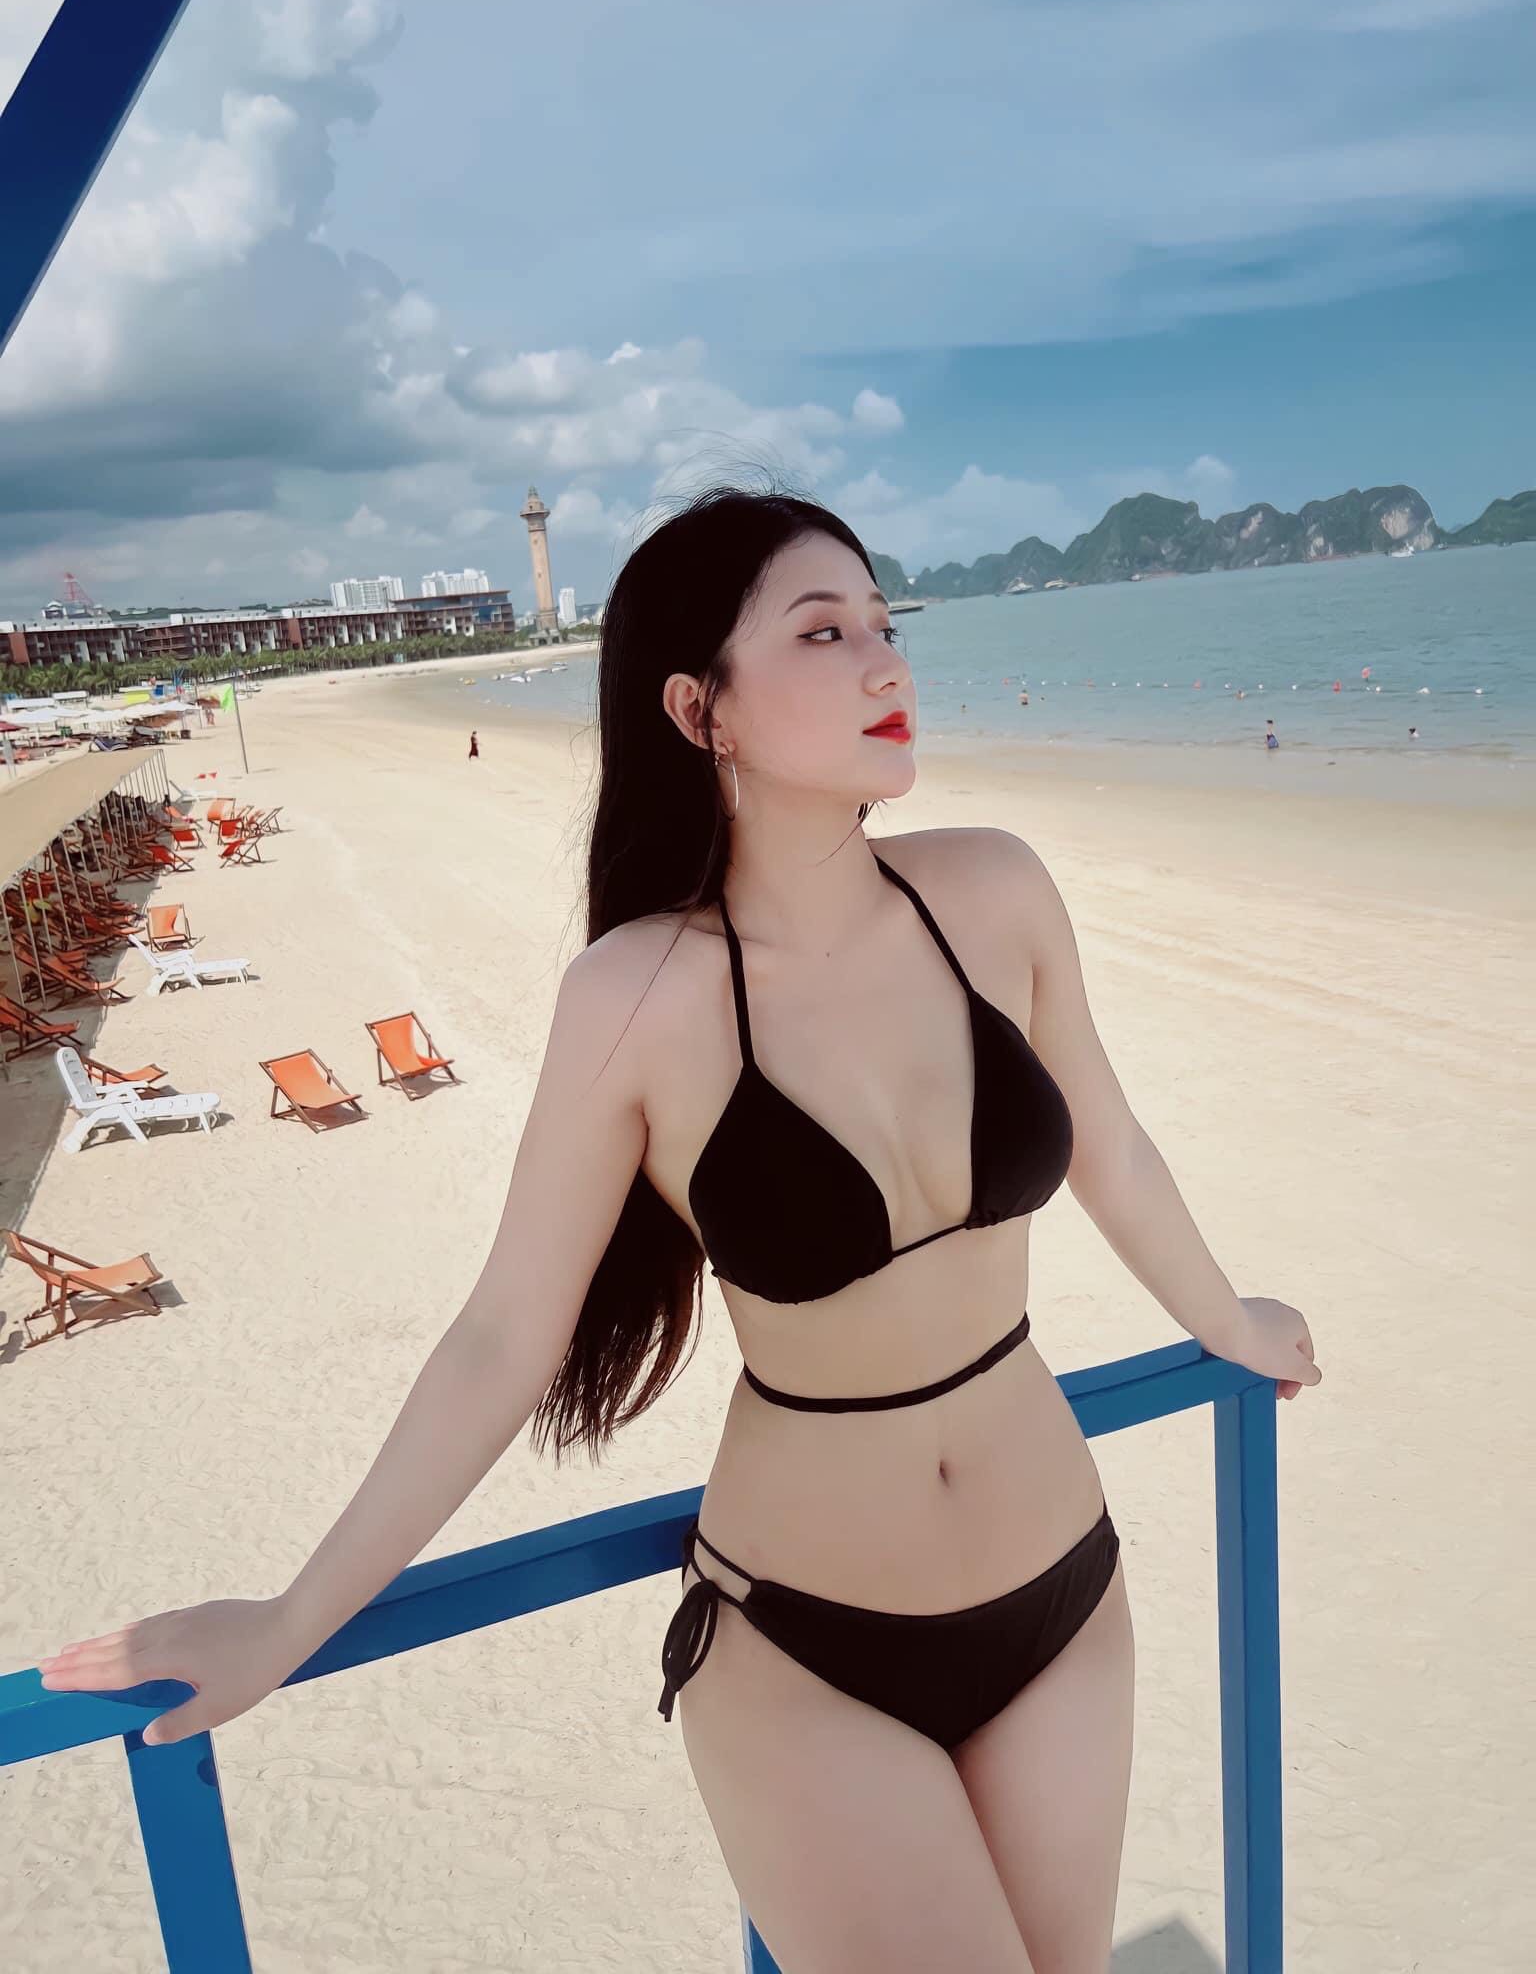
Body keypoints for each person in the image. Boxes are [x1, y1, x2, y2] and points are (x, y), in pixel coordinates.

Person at [35, 485, 1321, 1972]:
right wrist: (288, 1621)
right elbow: (502, 1337)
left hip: (1065, 1596)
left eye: (885, 624)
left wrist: (1227, 1321)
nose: (886, 663)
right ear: (700, 709)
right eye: (823, 633)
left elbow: (1115, 1146)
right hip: (810, 1646)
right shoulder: (638, 997)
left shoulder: (997, 892)